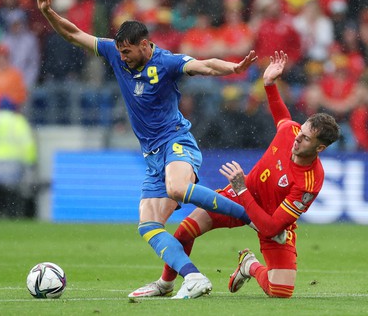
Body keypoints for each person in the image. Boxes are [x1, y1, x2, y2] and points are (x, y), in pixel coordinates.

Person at [36, 0, 258, 299]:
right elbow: (74, 34)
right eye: (119, 52)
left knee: (177, 188)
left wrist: (233, 69)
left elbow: (203, 65)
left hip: (177, 142)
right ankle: (192, 278)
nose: (122, 57)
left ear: (145, 45)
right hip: (152, 154)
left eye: (127, 52)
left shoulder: (166, 63)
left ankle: (252, 216)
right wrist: (48, 12)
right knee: (148, 225)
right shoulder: (116, 53)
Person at [129, 51, 340, 299]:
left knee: (280, 292)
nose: (297, 138)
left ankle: (248, 265)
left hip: (271, 216)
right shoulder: (290, 132)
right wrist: (270, 84)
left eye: (305, 138)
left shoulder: (309, 182)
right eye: (300, 131)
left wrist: (241, 189)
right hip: (241, 195)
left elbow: (271, 226)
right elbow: (281, 116)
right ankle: (166, 283)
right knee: (185, 231)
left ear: (320, 148)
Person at [0, 96, 37, 218]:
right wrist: (31, 162)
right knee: (12, 192)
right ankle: (12, 215)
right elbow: (27, 143)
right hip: (12, 161)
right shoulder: (17, 121)